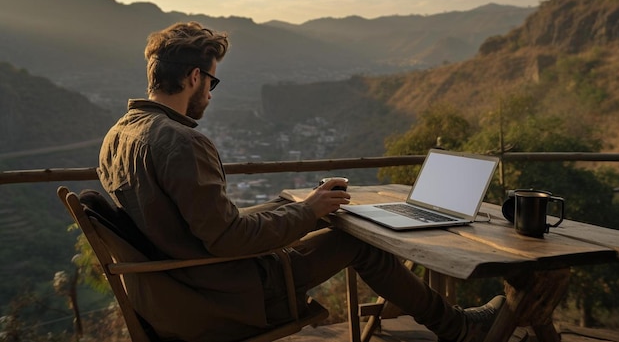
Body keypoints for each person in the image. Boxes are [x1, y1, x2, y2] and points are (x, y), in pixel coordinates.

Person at [97, 21, 505, 342]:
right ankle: (459, 329)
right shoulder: (182, 142)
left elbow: (195, 223)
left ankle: (452, 324)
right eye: (211, 82)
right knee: (359, 243)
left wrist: (300, 208)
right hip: (225, 293)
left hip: (180, 289)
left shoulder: (119, 135)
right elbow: (227, 239)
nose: (210, 93)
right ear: (192, 77)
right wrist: (308, 212)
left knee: (288, 207)